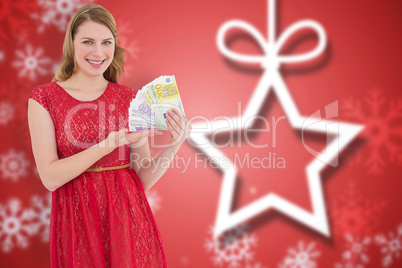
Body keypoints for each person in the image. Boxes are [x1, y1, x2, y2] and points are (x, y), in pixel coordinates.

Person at [27, 3, 191, 267]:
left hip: (128, 222)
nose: (98, 52)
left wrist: (174, 144)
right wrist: (108, 145)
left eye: (106, 42)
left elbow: (142, 180)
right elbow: (50, 177)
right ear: (71, 44)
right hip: (77, 221)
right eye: (88, 41)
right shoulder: (44, 98)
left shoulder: (129, 99)